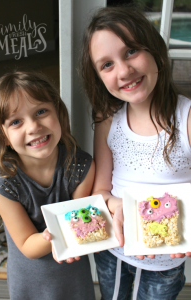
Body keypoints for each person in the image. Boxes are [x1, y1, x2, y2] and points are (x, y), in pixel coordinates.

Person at [81, 5, 191, 300]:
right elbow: (102, 192)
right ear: (98, 76)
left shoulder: (187, 118)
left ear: (154, 49)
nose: (125, 70)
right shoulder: (107, 119)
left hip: (165, 259)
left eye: (131, 51)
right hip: (114, 250)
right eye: (107, 64)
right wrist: (123, 209)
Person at [0, 70, 96, 300]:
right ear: (3, 136)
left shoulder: (81, 166)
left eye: (41, 111)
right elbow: (26, 245)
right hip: (30, 281)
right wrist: (63, 232)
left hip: (73, 276)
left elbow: (84, 222)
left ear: (59, 114)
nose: (33, 127)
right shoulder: (3, 183)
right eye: (16, 122)